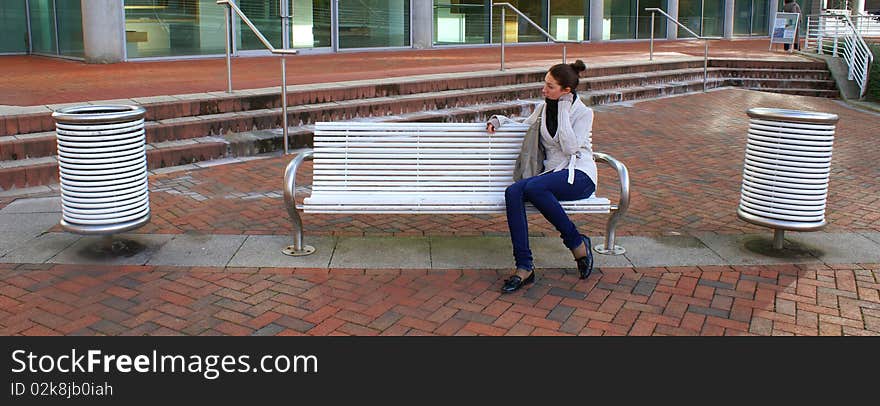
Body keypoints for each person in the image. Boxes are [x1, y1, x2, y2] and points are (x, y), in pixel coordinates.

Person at [486, 59, 597, 294]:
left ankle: (576, 243)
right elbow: (522, 127)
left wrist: (565, 110)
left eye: (550, 86)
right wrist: (499, 120)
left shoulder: (584, 113)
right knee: (513, 191)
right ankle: (524, 266)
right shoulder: (543, 108)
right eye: (545, 83)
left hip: (579, 176)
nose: (544, 90)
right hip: (550, 177)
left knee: (534, 189)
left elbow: (570, 148)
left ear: (566, 91)